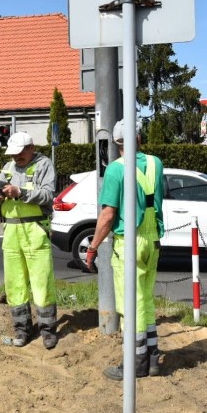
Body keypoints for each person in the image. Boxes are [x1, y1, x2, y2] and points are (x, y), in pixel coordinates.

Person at [85, 120, 164, 380]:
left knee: (131, 304)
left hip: (129, 242)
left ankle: (135, 364)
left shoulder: (116, 170)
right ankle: (152, 358)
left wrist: (93, 246)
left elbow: (108, 215)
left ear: (117, 143)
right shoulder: (156, 164)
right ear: (140, 138)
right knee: (146, 300)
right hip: (152, 240)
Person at [0, 131, 58, 349]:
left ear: (31, 148)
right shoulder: (8, 168)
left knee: (42, 283)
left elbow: (48, 195)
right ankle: (22, 330)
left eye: (19, 153)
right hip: (12, 233)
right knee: (15, 284)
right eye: (13, 154)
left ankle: (48, 331)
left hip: (35, 230)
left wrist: (20, 192)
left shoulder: (44, 164)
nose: (15, 158)